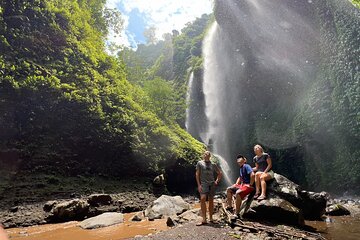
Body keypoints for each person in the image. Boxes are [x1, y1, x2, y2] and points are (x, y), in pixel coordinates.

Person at [195, 151, 222, 225]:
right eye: (205, 153)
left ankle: (211, 218)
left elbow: (220, 173)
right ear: (203, 155)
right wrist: (199, 185)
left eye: (208, 153)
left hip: (212, 184)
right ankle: (204, 219)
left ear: (210, 156)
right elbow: (197, 174)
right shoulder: (200, 163)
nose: (206, 154)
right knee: (203, 199)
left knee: (211, 200)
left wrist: (217, 181)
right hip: (203, 184)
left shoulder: (213, 164)